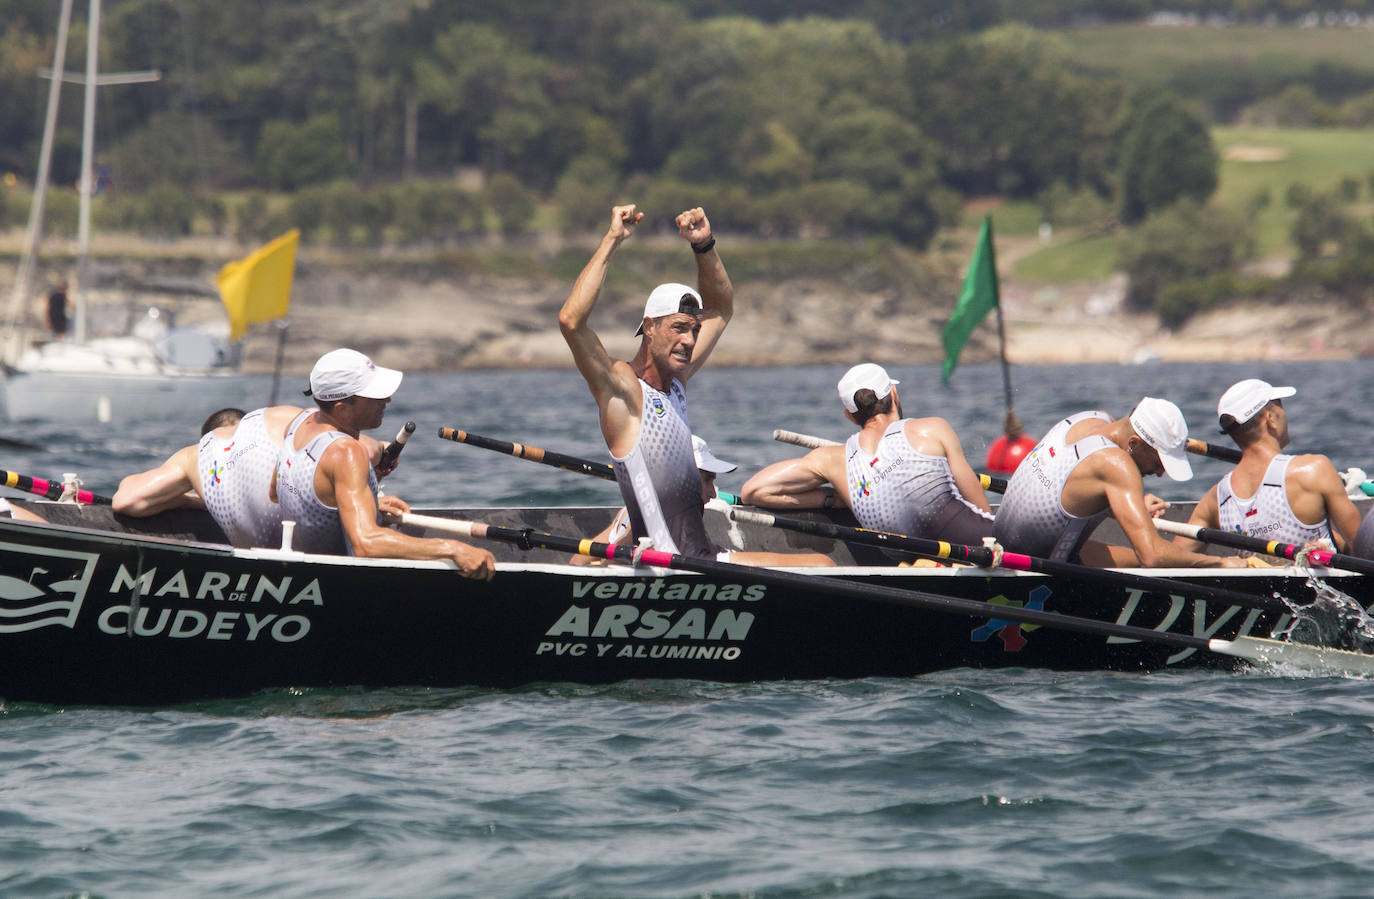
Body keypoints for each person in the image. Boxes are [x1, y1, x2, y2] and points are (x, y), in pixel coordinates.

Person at [558, 204, 832, 567]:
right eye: (679, 327)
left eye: (694, 330)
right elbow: (571, 321)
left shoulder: (676, 383)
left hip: (701, 558)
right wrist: (612, 240)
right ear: (650, 327)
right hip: (671, 563)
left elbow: (719, 308)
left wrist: (704, 246)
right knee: (822, 566)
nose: (689, 340)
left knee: (821, 564)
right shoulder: (623, 390)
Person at [272, 348, 495, 579]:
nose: (387, 400)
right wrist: (453, 549)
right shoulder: (346, 452)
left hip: (307, 572)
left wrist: (360, 502)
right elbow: (366, 543)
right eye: (374, 396)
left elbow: (276, 492)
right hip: (344, 583)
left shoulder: (299, 423)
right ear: (343, 409)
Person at [739, 363, 995, 548]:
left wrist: (837, 498)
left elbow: (755, 491)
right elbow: (981, 509)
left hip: (916, 558)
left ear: (849, 416)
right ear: (893, 394)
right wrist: (838, 498)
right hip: (982, 544)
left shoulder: (832, 460)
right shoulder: (933, 428)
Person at [993, 397, 1245, 568]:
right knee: (1157, 557)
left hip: (1005, 544)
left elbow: (1075, 487)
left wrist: (1128, 504)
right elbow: (1152, 556)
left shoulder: (1089, 418)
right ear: (1133, 443)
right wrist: (1221, 563)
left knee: (1156, 557)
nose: (1159, 473)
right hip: (1035, 571)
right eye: (1160, 461)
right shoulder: (1117, 466)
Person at [1174, 379, 1361, 557]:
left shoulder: (1218, 498)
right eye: (1280, 405)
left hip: (1257, 589)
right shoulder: (1314, 470)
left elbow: (1174, 557)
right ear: (1270, 418)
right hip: (1319, 589)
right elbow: (1365, 548)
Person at [114, 405, 305, 548]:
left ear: (207, 436)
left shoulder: (197, 454)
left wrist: (188, 501)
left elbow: (126, 501)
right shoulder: (280, 422)